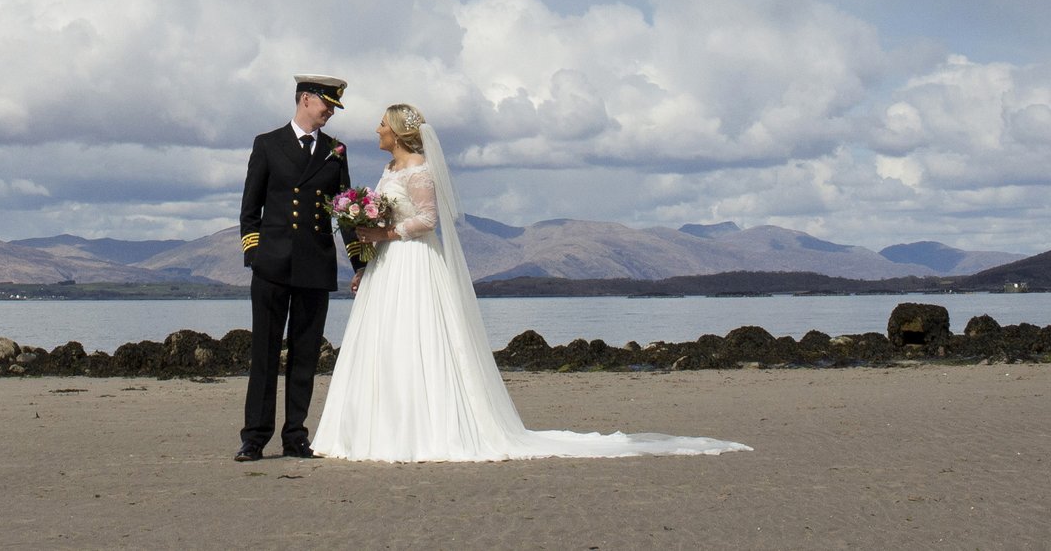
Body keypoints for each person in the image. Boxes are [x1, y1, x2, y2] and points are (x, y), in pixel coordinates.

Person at [313, 102, 749, 463]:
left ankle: (421, 427)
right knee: (382, 341)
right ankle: (374, 427)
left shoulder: (421, 172)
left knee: (418, 338)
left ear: (398, 131)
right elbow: (386, 212)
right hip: (388, 266)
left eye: (382, 124)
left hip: (414, 262)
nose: (375, 129)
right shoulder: (388, 169)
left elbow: (427, 221)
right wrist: (368, 244)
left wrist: (386, 233)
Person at [235, 74, 352, 461]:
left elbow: (346, 211)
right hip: (272, 265)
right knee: (264, 354)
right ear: (305, 99)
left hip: (315, 267)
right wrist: (254, 253)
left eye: (334, 108)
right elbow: (250, 208)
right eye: (327, 105)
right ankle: (254, 437)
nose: (330, 113)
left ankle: (295, 435)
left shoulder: (336, 151)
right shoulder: (268, 144)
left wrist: (359, 264)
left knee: (305, 355)